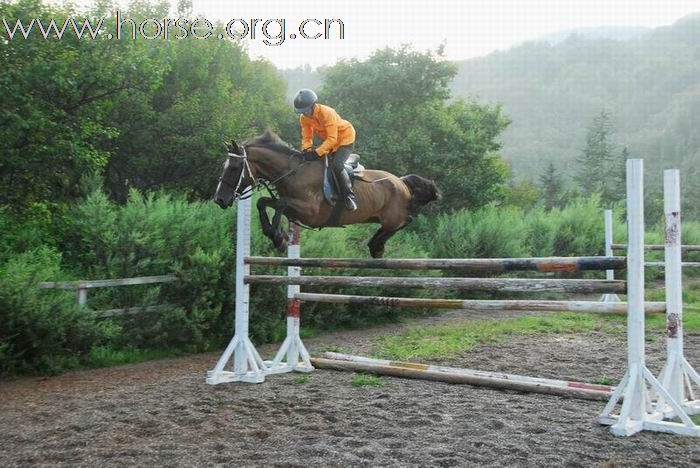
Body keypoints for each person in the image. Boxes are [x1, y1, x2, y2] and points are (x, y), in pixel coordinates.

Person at [294, 88, 358, 211]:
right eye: (302, 111)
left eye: (306, 110)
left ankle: (349, 196)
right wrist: (306, 150)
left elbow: (332, 139)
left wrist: (317, 152)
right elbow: (307, 137)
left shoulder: (327, 113)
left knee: (336, 166)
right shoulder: (304, 118)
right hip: (330, 143)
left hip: (345, 138)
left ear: (313, 105)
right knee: (319, 165)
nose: (305, 114)